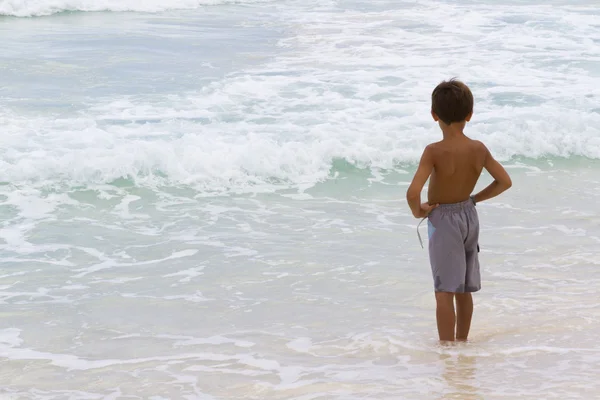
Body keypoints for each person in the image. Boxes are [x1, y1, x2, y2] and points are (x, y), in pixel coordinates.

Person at [406, 79, 512, 342]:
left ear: (434, 115)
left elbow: (412, 193)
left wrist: (419, 212)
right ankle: (462, 344)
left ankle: (447, 350)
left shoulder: (433, 151)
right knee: (463, 289)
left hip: (443, 220)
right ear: (469, 115)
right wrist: (474, 199)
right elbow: (504, 182)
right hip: (469, 216)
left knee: (444, 291)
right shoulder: (478, 148)